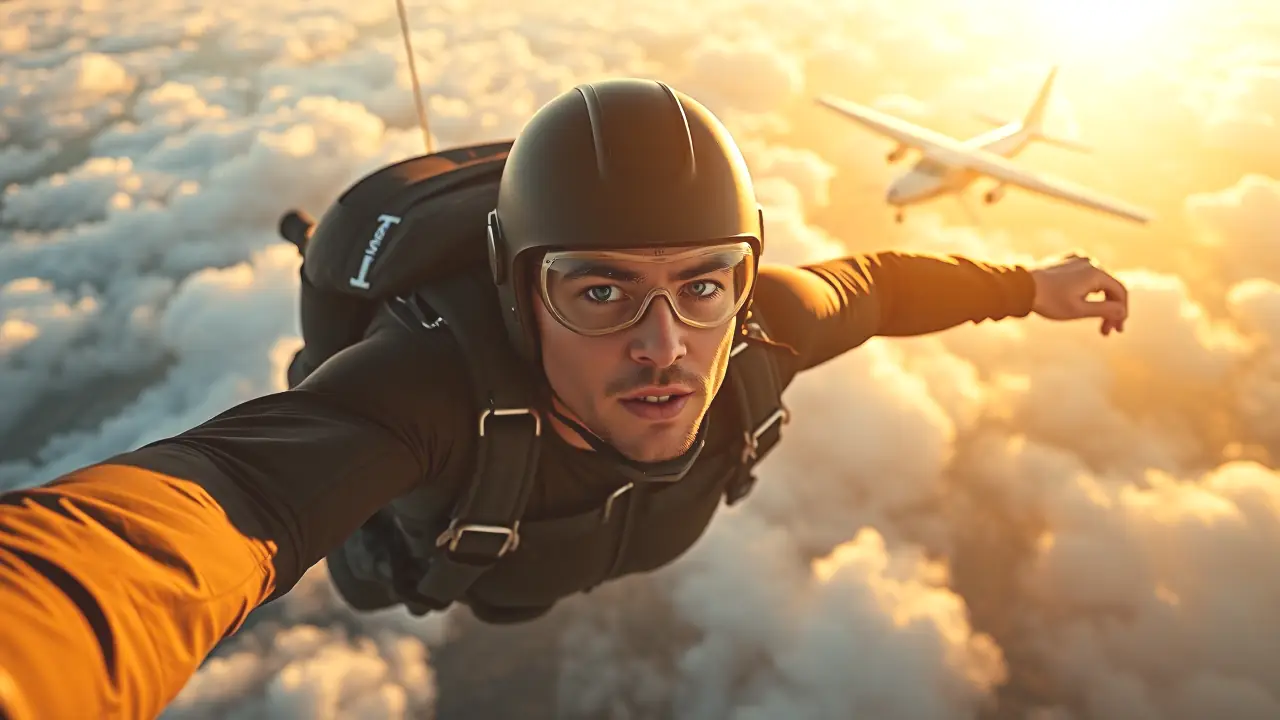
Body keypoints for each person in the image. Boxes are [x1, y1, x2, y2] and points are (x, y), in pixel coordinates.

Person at [0, 78, 1129, 719]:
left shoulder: (755, 332)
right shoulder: (426, 392)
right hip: (459, 539)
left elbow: (874, 286)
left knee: (515, 590)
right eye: (597, 289)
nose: (666, 348)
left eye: (702, 285)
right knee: (476, 589)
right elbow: (227, 491)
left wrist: (1026, 287)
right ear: (513, 288)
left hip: (556, 543)